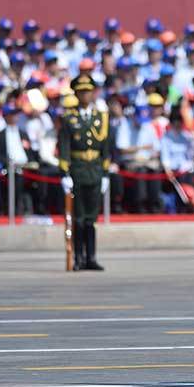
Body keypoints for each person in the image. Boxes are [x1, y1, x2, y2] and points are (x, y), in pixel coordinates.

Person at [59, 74, 111, 271]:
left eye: (88, 91)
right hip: (79, 170)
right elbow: (64, 147)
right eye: (81, 92)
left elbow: (105, 147)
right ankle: (78, 258)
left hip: (95, 170)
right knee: (78, 218)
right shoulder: (69, 119)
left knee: (91, 219)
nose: (85, 95)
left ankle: (91, 257)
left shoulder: (101, 117)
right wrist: (64, 173)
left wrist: (105, 173)